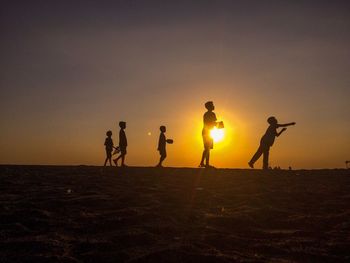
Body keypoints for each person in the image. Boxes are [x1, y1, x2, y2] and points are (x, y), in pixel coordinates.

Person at [199, 101, 218, 168]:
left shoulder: (212, 114)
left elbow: (213, 123)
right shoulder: (208, 114)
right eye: (212, 105)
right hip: (207, 132)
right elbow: (209, 123)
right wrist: (218, 124)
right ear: (209, 107)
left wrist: (216, 124)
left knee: (207, 148)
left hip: (209, 132)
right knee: (207, 148)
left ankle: (202, 163)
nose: (213, 106)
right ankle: (206, 164)